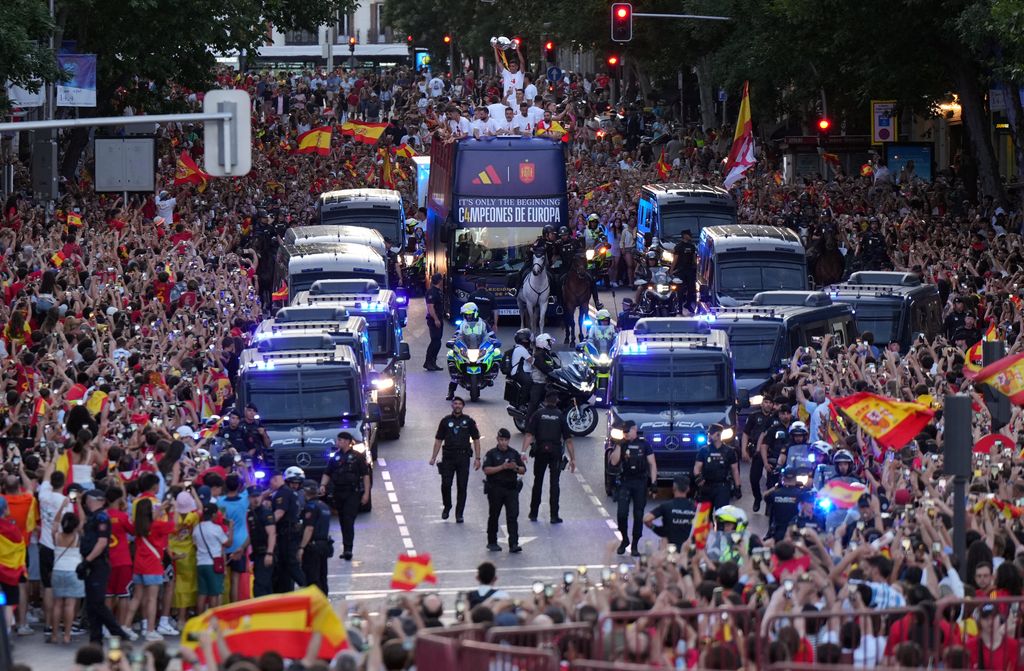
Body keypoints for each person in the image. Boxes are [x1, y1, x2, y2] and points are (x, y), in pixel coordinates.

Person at [79, 490, 131, 644]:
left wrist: (87, 561)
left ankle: (119, 633)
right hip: (91, 563)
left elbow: (101, 543)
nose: (86, 502)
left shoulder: (102, 517)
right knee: (91, 605)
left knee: (97, 603)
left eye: (88, 499)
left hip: (98, 564)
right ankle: (95, 640)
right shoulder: (92, 517)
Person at [523, 391, 576, 524]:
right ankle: (554, 516)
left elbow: (529, 435)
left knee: (538, 482)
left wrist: (523, 452)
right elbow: (568, 440)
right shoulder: (560, 416)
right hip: (555, 453)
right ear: (556, 401)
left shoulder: (538, 414)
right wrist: (573, 459)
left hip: (540, 451)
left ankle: (533, 513)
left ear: (545, 401)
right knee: (554, 483)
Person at [607, 420, 656, 556]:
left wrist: (654, 483)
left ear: (634, 430)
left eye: (628, 431)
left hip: (640, 482)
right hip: (625, 482)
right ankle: (625, 540)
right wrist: (618, 445)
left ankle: (635, 544)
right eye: (624, 432)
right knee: (621, 514)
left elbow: (652, 464)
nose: (626, 434)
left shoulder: (644, 445)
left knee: (638, 514)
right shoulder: (622, 445)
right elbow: (614, 462)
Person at [429, 397, 482, 523]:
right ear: (452, 406)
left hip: (463, 457)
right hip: (448, 457)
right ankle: (447, 506)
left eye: (460, 404)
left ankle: (459, 513)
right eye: (455, 403)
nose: (457, 406)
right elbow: (438, 440)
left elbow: (476, 439)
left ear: (463, 406)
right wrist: (433, 457)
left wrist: (478, 458)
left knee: (462, 486)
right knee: (446, 484)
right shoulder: (445, 421)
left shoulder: (468, 421)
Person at [321, 432, 370, 561]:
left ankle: (348, 549)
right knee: (343, 520)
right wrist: (322, 485)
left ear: (348, 441)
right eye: (338, 440)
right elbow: (327, 473)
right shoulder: (335, 457)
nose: (338, 442)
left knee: (348, 519)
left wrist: (366, 493)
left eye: (341, 440)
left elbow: (365, 475)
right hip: (338, 492)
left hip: (352, 493)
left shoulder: (358, 457)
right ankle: (346, 548)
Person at [482, 428, 525, 553]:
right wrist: (502, 467)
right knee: (494, 515)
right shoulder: (491, 454)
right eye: (501, 440)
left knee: (512, 516)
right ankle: (492, 542)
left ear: (508, 440)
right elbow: (486, 470)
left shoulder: (513, 453)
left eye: (505, 440)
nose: (503, 443)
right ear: (497, 439)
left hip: (511, 489)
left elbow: (523, 469)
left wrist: (515, 467)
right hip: (495, 489)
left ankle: (513, 544)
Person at [270, 468, 307, 592]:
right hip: (288, 534)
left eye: (297, 483)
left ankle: (309, 590)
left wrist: (265, 526)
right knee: (284, 566)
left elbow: (279, 513)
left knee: (291, 564)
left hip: (287, 535)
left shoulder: (284, 493)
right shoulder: (291, 494)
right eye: (293, 483)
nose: (295, 485)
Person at [447, 302, 492, 400]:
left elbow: (491, 335)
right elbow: (456, 335)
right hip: (465, 349)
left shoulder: (483, 323)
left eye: (469, 314)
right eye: (466, 314)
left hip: (480, 348)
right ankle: (451, 391)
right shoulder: (462, 324)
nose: (468, 316)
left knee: (496, 353)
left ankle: (489, 375)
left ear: (475, 313)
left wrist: (494, 341)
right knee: (451, 356)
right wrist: (452, 341)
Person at [693, 423, 741, 510]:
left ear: (718, 434)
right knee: (704, 517)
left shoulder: (729, 451)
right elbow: (697, 467)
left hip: (722, 486)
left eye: (711, 434)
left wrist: (738, 486)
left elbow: (735, 470)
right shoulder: (704, 451)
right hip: (707, 486)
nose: (709, 436)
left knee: (721, 515)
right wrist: (698, 479)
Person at [192, 502, 229, 614]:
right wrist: (230, 529)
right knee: (214, 594)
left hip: (200, 564)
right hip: (213, 565)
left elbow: (194, 544)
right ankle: (213, 621)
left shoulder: (197, 528)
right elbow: (227, 544)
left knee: (202, 593)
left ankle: (200, 619)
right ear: (213, 515)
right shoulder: (216, 528)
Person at [644, 476, 697, 550]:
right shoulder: (694, 507)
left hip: (667, 546)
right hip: (685, 548)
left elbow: (646, 519)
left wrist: (656, 529)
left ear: (674, 488)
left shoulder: (666, 506)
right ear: (688, 489)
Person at [298, 480, 332, 594]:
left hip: (313, 547)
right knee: (323, 575)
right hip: (324, 545)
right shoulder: (324, 506)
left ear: (305, 492)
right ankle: (323, 602)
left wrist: (302, 547)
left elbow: (309, 528)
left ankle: (315, 604)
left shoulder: (310, 507)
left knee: (312, 577)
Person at [743, 396, 775, 513]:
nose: (767, 405)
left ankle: (769, 503)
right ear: (762, 404)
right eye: (765, 402)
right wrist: (744, 450)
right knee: (754, 478)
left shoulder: (775, 417)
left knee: (771, 481)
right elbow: (745, 433)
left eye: (770, 402)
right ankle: (757, 497)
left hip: (770, 451)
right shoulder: (754, 416)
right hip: (756, 451)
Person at [246, 487, 276, 598]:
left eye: (258, 496)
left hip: (265, 553)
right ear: (249, 498)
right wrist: (242, 548)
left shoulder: (265, 513)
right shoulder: (251, 513)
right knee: (264, 586)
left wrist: (269, 553)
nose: (256, 499)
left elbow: (272, 534)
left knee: (260, 586)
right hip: (258, 554)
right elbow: (252, 535)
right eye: (253, 496)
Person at [763, 468, 803, 542]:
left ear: (783, 478)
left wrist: (776, 487)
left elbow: (765, 496)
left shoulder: (775, 494)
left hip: (777, 532)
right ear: (795, 478)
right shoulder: (801, 494)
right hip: (794, 532)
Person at [527, 333, 560, 420]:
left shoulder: (547, 354)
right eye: (549, 342)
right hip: (538, 382)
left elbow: (556, 366)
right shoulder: (538, 355)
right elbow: (544, 368)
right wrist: (553, 374)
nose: (550, 344)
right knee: (534, 403)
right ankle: (528, 427)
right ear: (543, 343)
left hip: (548, 382)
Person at [669, 229, 698, 311]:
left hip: (690, 271)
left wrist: (697, 268)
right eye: (689, 235)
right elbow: (675, 260)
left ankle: (688, 305)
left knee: (691, 289)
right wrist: (671, 270)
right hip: (680, 271)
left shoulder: (692, 247)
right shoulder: (678, 247)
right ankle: (679, 307)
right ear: (685, 235)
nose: (690, 236)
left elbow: (694, 260)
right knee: (680, 290)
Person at [509, 328, 534, 410]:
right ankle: (522, 404)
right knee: (529, 382)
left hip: (522, 371)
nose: (530, 340)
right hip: (518, 372)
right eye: (528, 339)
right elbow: (532, 361)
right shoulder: (521, 349)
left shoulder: (521, 348)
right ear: (524, 340)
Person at [424, 273, 444, 371]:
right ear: (439, 280)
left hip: (439, 319)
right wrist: (436, 319)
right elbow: (430, 307)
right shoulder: (432, 292)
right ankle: (428, 362)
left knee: (437, 342)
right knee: (435, 341)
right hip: (434, 320)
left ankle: (433, 362)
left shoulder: (438, 291)